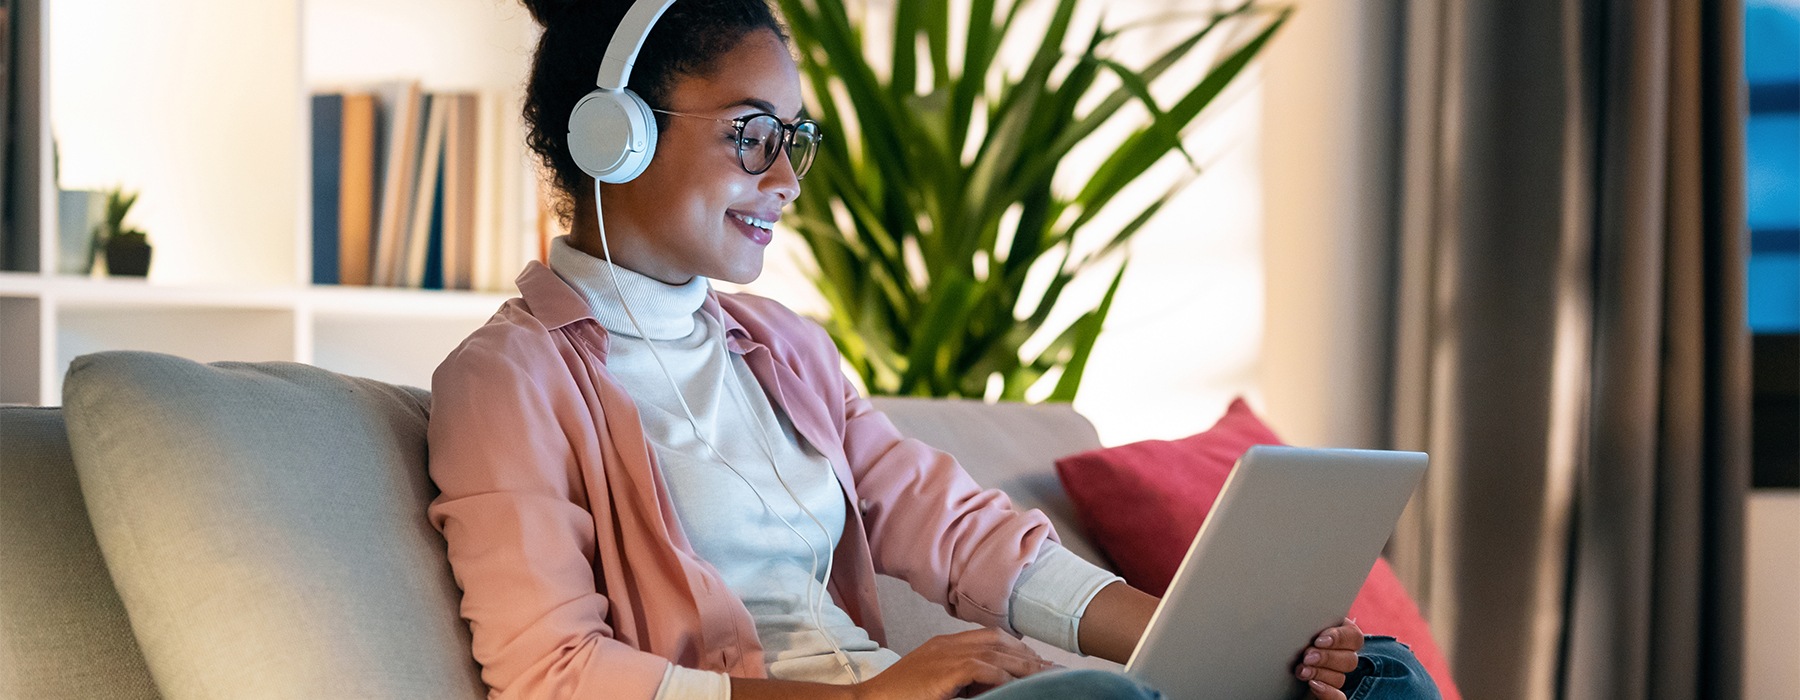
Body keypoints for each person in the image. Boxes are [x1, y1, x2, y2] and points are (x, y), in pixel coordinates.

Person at [425, 1, 1442, 698]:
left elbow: (961, 537)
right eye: (751, 134)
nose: (786, 176)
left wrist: (1223, 643)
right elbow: (555, 673)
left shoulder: (784, 349)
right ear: (619, 136)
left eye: (798, 139)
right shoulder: (510, 378)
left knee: (1380, 679)